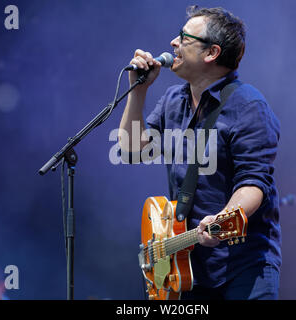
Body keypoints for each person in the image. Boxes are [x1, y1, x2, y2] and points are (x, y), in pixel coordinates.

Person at [118, 6, 281, 300]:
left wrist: (223, 218)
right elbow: (130, 151)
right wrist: (138, 90)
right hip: (186, 268)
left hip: (242, 267)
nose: (173, 43)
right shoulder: (173, 100)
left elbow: (253, 183)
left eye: (184, 37)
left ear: (211, 53)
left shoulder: (248, 106)